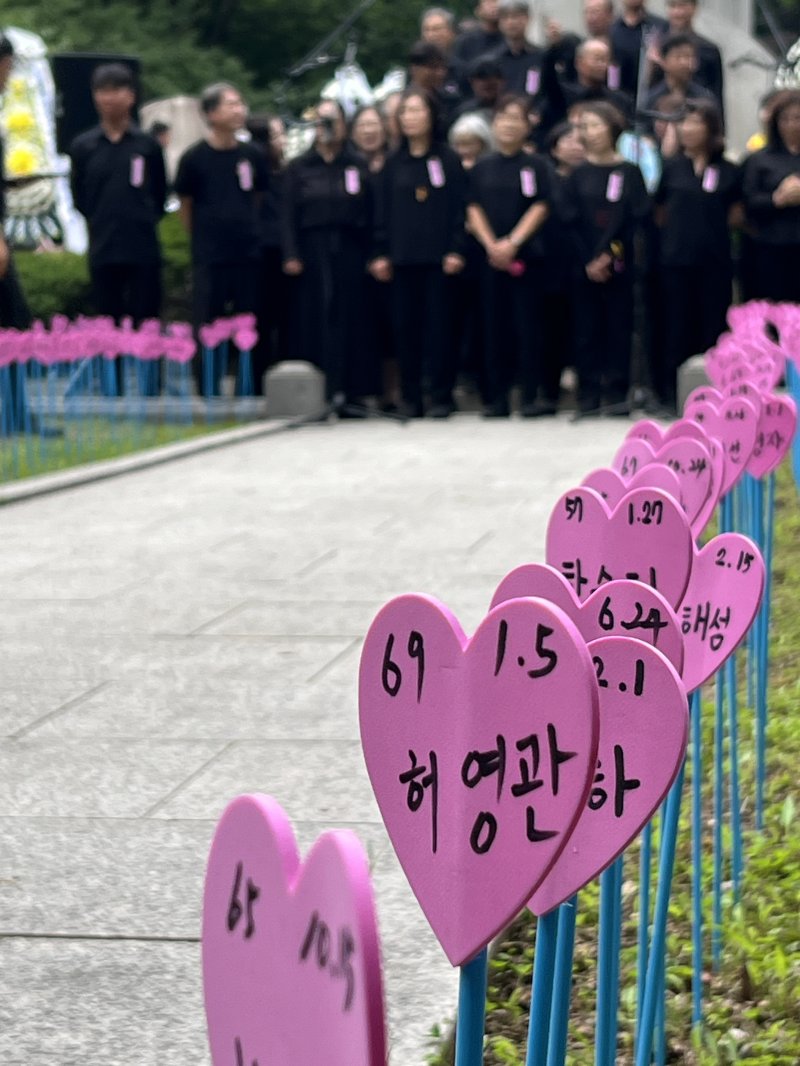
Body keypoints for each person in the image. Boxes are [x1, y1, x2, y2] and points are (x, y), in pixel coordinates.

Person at [69, 62, 166, 395]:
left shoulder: (146, 145)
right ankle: (112, 384)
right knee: (107, 316)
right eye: (103, 91)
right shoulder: (83, 146)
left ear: (131, 96)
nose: (109, 98)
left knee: (146, 314)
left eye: (117, 90)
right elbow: (80, 197)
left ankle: (152, 383)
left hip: (142, 245)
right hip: (103, 244)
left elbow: (159, 194)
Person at [370, 89, 466, 418]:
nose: (410, 117)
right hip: (401, 260)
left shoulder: (447, 159)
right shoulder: (392, 163)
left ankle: (441, 395)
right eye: (405, 112)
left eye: (417, 110)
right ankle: (410, 397)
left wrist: (456, 249)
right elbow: (379, 211)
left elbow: (459, 208)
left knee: (441, 328)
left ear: (431, 115)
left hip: (441, 260)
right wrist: (380, 252)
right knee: (405, 329)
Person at [174, 82, 269, 396]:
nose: (239, 109)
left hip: (247, 251)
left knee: (250, 319)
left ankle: (251, 384)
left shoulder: (252, 155)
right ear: (211, 113)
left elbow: (258, 196)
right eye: (231, 104)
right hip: (210, 254)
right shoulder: (194, 158)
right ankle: (207, 385)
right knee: (208, 320)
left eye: (240, 103)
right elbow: (185, 206)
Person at [281, 100, 375, 409]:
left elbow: (371, 212)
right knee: (315, 315)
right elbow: (288, 214)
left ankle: (352, 391)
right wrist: (291, 253)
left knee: (351, 315)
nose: (326, 128)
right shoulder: (299, 167)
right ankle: (318, 389)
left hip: (350, 244)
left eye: (332, 121)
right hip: (311, 246)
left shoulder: (357, 164)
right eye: (320, 122)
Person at [561, 102, 651, 415]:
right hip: (583, 265)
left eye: (596, 125)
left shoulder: (629, 172)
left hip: (618, 263)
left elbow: (634, 219)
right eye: (584, 126)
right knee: (585, 330)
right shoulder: (577, 174)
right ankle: (588, 395)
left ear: (612, 128)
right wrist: (589, 259)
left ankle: (616, 393)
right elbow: (569, 220)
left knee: (618, 327)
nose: (590, 132)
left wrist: (608, 256)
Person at [467, 94, 553, 417]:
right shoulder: (481, 166)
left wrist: (513, 242)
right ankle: (497, 398)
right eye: (503, 117)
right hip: (489, 259)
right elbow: (471, 206)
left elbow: (542, 205)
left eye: (516, 118)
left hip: (526, 257)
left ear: (527, 125)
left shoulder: (537, 165)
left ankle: (531, 396)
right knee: (493, 326)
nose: (508, 124)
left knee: (528, 326)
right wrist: (492, 244)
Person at [653, 100, 741, 410]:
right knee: (676, 325)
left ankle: (714, 396)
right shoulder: (672, 167)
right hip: (676, 259)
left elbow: (736, 214)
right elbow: (660, 211)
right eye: (684, 123)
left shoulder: (728, 169)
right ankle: (670, 395)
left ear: (711, 128)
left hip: (714, 261)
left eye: (696, 123)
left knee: (712, 326)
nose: (689, 130)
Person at [539, 121, 586, 413]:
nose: (574, 145)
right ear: (554, 147)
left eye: (580, 140)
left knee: (582, 328)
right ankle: (549, 390)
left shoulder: (592, 176)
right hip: (549, 262)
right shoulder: (544, 177)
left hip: (585, 261)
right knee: (549, 329)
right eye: (566, 140)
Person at [742, 89, 800, 303]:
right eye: (786, 119)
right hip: (771, 247)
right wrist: (779, 199)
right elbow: (749, 203)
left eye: (798, 118)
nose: (793, 124)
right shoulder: (759, 160)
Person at [248, 114, 290, 390]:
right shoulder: (254, 170)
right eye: (276, 136)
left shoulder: (286, 173)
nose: (283, 141)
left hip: (284, 251)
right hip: (260, 251)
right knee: (262, 317)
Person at [661, 0, 723, 109]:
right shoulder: (658, 46)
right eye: (673, 6)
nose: (677, 12)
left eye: (682, 6)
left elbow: (717, 95)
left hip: (698, 113)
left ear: (694, 8)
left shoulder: (709, 49)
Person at [644, 34, 714, 117]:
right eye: (679, 56)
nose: (685, 63)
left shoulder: (704, 98)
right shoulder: (651, 99)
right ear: (664, 61)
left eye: (689, 57)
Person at [610, 0, 668, 99]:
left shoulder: (660, 26)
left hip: (651, 94)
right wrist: (613, 90)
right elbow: (612, 64)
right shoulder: (613, 28)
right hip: (620, 94)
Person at [494, 0, 544, 98]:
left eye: (516, 16)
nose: (511, 22)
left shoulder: (540, 56)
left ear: (527, 19)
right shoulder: (494, 59)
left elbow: (536, 90)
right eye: (505, 17)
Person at [452, 0, 503, 93]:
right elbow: (458, 75)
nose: (494, 6)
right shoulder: (465, 42)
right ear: (478, 10)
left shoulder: (512, 41)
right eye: (489, 2)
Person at [407, 41, 461, 127]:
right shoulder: (405, 101)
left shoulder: (447, 98)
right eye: (433, 67)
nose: (440, 73)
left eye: (443, 67)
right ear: (415, 69)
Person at [451, 56, 505, 126]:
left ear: (503, 82)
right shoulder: (463, 112)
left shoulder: (510, 109)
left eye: (495, 77)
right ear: (472, 82)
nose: (489, 82)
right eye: (482, 77)